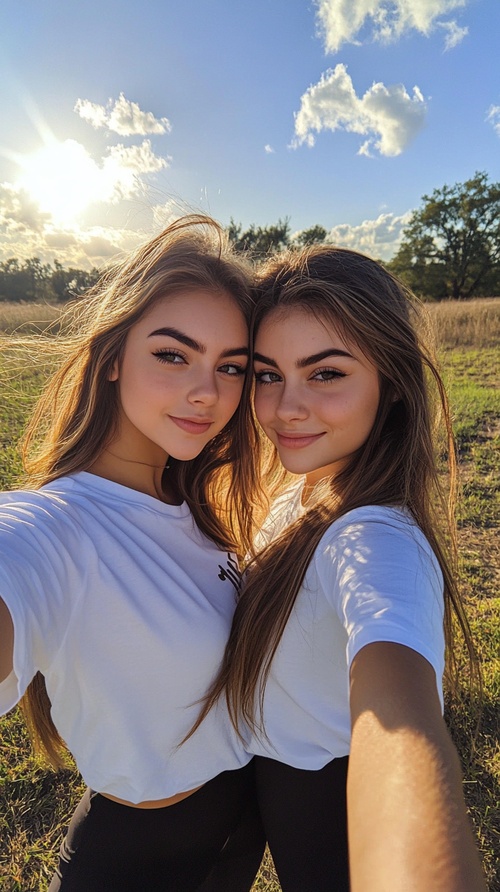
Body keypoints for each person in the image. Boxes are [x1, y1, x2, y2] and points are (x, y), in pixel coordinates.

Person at [193, 245, 487, 891]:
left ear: (390, 383)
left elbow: (399, 719)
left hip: (333, 813)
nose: (284, 407)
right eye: (268, 374)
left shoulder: (376, 539)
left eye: (325, 374)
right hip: (270, 796)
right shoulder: (303, 486)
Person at [0, 215, 265, 892]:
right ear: (114, 357)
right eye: (173, 355)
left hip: (236, 829)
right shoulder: (55, 526)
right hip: (140, 862)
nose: (207, 391)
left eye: (230, 366)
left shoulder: (196, 503)